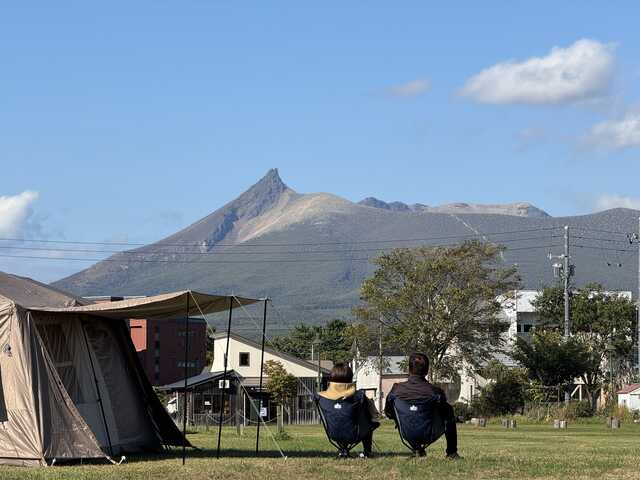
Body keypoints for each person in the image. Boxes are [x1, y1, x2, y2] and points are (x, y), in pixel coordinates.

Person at [384, 353, 461, 459]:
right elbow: (445, 414)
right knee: (448, 410)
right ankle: (451, 452)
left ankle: (417, 449)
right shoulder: (435, 392)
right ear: (427, 370)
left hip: (406, 432)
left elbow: (388, 412)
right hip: (429, 433)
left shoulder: (396, 389)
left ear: (409, 369)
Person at [319, 363, 380, 458]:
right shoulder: (359, 396)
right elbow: (374, 414)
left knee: (340, 420)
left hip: (333, 434)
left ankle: (343, 449)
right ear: (350, 379)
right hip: (355, 434)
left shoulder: (322, 397)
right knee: (369, 421)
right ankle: (367, 452)